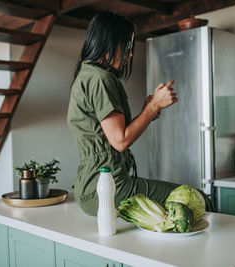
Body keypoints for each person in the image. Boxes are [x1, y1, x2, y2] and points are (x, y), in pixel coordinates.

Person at [67, 12, 211, 216]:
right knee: (199, 200)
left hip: (92, 188)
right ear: (110, 40)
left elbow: (116, 140)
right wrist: (151, 109)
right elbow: (121, 141)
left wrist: (151, 110)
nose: (131, 54)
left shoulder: (87, 75)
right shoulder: (100, 79)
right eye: (127, 45)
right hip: (110, 189)